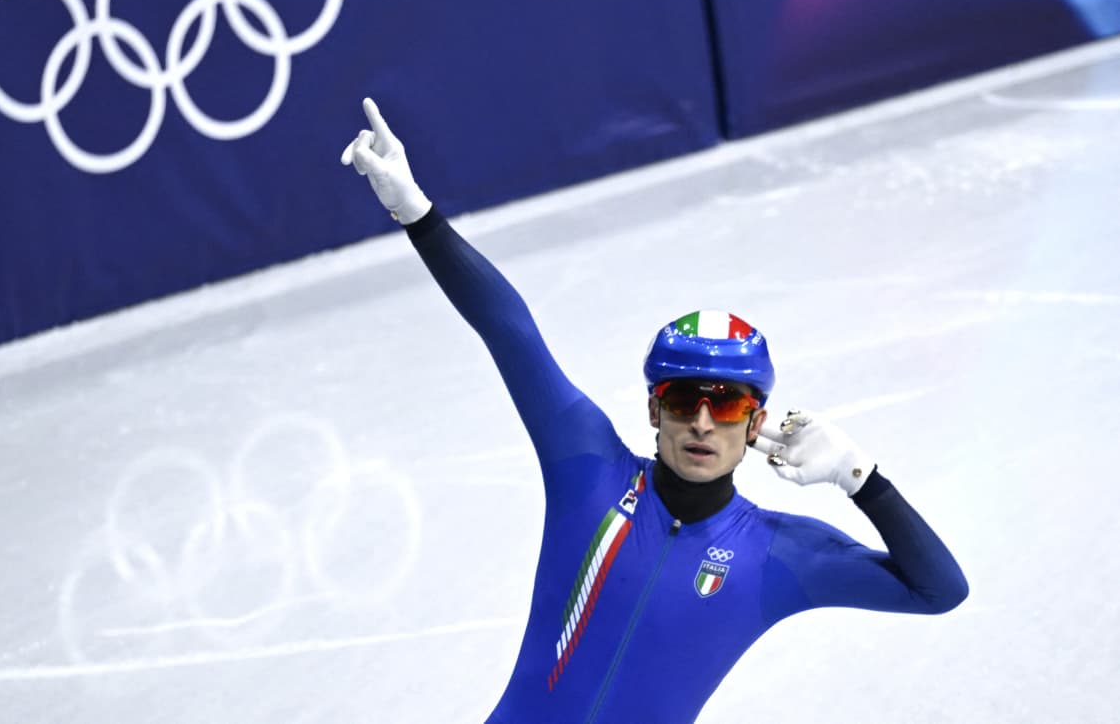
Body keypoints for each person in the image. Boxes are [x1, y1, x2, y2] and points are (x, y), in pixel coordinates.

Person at [339, 98, 968, 724]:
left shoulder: (781, 553)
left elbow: (940, 591)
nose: (701, 421)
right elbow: (510, 331)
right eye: (682, 399)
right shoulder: (587, 469)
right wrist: (415, 213)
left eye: (727, 406)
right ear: (652, 409)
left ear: (755, 425)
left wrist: (862, 478)